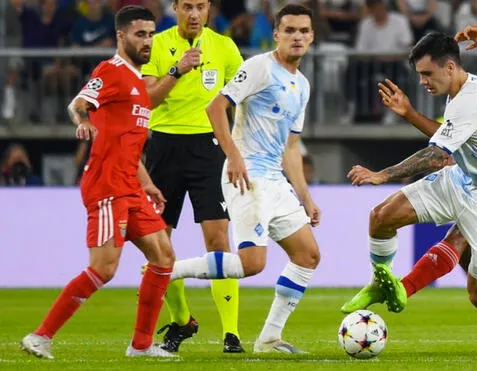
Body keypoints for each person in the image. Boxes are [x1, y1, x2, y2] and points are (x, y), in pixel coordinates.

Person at [344, 24, 477, 359]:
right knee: (385, 217)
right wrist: (411, 114)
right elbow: (448, 140)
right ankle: (388, 283)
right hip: (468, 182)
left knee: (467, 264)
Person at [21, 6, 177, 359]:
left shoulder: (138, 82)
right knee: (104, 268)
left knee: (164, 256)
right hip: (107, 187)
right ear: (121, 36)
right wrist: (83, 121)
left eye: (151, 34)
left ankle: (141, 345)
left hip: (131, 186)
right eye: (140, 34)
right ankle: (41, 335)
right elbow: (78, 104)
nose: (148, 41)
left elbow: (127, 145)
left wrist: (147, 183)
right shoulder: (111, 70)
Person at [168, 3, 321, 354]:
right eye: (289, 31)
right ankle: (168, 270)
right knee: (252, 264)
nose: (296, 37)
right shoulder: (259, 68)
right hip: (247, 176)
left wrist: (306, 197)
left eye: (303, 31)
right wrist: (234, 156)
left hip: (274, 181)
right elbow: (215, 108)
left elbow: (291, 148)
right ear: (277, 35)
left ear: (311, 37)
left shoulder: (302, 84)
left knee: (308, 255)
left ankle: (269, 339)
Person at [140, 0, 244, 353]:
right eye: (187, 6)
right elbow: (148, 100)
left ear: (209, 8)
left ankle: (232, 334)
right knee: (158, 243)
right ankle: (182, 321)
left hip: (208, 147)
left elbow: (243, 98)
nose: (195, 14)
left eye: (201, 6)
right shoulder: (157, 44)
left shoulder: (224, 46)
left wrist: (236, 149)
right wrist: (177, 69)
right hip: (165, 146)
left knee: (218, 241)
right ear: (175, 8)